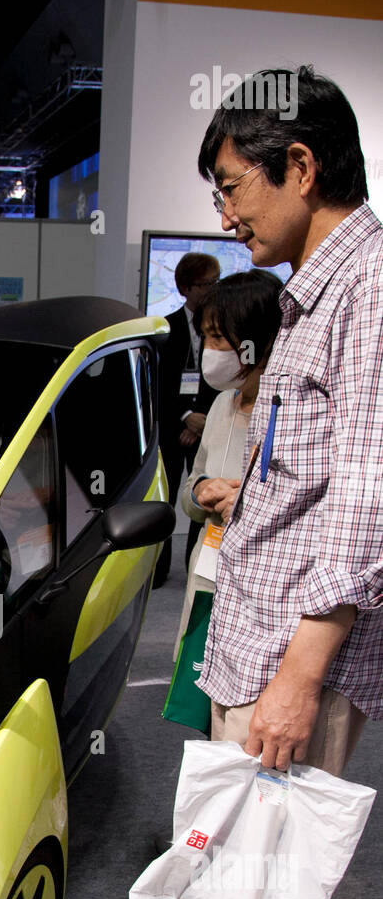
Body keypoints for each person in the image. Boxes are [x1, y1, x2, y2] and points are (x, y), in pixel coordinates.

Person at [158, 65, 383, 899]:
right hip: (257, 630)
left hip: (293, 652)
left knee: (261, 861)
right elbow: (317, 468)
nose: (227, 212)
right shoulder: (316, 290)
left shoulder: (372, 287)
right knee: (236, 846)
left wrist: (301, 674)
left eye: (234, 186)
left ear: (302, 166)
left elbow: (368, 502)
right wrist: (251, 496)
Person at [172, 270, 283, 656]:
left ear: (259, 339)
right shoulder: (222, 404)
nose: (210, 349)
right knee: (200, 700)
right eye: (205, 337)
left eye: (219, 337)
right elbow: (189, 497)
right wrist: (202, 489)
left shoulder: (290, 413)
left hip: (262, 604)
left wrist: (247, 503)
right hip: (208, 579)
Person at [153, 253, 220, 587]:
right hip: (172, 426)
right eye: (204, 284)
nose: (210, 290)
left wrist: (202, 421)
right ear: (185, 287)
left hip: (207, 426)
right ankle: (159, 569)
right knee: (163, 501)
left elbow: (221, 379)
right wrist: (184, 418)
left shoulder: (223, 328)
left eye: (215, 282)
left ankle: (197, 564)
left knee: (204, 496)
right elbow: (159, 384)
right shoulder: (166, 329)